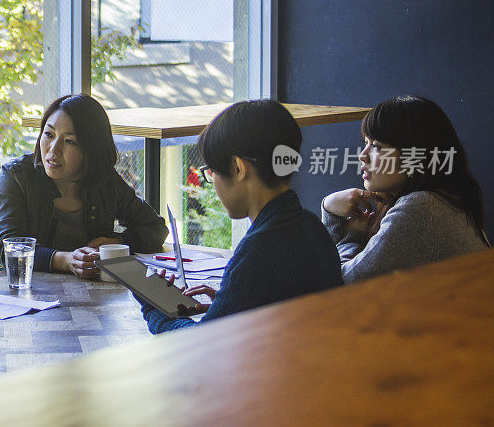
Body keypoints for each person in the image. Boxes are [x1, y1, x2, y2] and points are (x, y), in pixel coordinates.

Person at [136, 100, 343, 334]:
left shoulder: (257, 252)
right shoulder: (312, 226)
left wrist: (154, 306)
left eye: (210, 172)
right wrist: (230, 302)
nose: (211, 181)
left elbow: (198, 347)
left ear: (237, 168)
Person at [0, 94, 168, 278]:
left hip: (86, 292)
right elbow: (8, 246)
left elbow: (156, 227)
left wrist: (117, 241)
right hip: (16, 291)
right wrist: (66, 260)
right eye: (49, 135)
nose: (54, 149)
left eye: (69, 141)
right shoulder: (16, 176)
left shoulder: (105, 181)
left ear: (91, 149)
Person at [321, 95, 490, 283]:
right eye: (366, 143)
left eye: (376, 146)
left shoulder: (422, 209)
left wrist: (350, 233)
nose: (362, 156)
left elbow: (338, 284)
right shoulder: (441, 198)